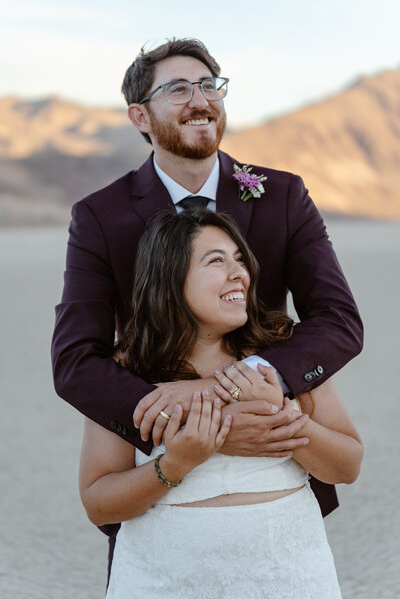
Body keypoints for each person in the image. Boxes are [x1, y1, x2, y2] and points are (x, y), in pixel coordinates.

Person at [51, 38, 363, 569]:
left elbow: (337, 320)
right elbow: (76, 360)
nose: (201, 99)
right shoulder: (101, 216)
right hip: (164, 478)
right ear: (140, 115)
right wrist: (180, 426)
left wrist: (238, 390)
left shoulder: (282, 196)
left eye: (209, 86)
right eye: (178, 89)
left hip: (273, 442)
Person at [79, 209, 363, 598]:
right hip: (164, 583)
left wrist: (282, 417)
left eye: (240, 259)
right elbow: (99, 503)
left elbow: (347, 466)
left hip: (291, 578)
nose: (239, 274)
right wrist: (174, 465)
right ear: (169, 281)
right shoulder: (126, 371)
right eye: (216, 260)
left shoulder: (284, 351)